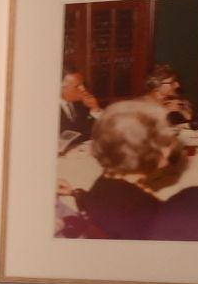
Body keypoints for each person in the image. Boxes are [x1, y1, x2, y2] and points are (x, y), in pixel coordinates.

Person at [79, 99, 184, 239]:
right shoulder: (147, 211)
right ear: (144, 150)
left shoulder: (105, 182)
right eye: (164, 142)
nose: (169, 150)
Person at [60, 67, 101, 141]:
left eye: (82, 84)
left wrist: (95, 109)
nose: (83, 89)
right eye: (77, 86)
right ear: (61, 88)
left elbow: (94, 131)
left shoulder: (81, 103)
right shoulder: (47, 108)